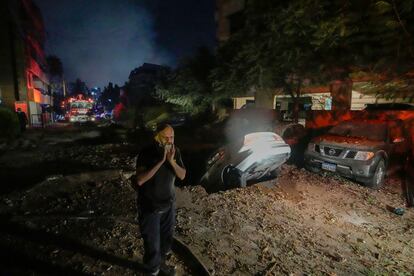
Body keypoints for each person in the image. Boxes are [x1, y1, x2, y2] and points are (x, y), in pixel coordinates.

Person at [135, 123, 186, 276]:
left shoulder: (175, 152)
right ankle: (152, 270)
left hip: (168, 204)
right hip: (150, 205)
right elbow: (140, 180)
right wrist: (160, 161)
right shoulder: (146, 153)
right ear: (157, 137)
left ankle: (161, 264)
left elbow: (182, 175)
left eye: (172, 137)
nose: (170, 140)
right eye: (166, 137)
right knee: (152, 244)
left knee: (166, 241)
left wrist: (171, 161)